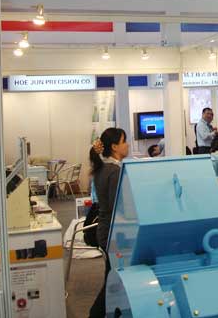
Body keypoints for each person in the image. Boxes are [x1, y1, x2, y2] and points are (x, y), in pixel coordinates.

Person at [88, 128, 129, 318]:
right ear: (114, 147)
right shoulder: (114, 171)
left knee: (112, 276)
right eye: (124, 141)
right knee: (113, 279)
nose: (127, 145)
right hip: (113, 232)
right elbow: (117, 206)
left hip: (105, 230)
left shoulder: (102, 168)